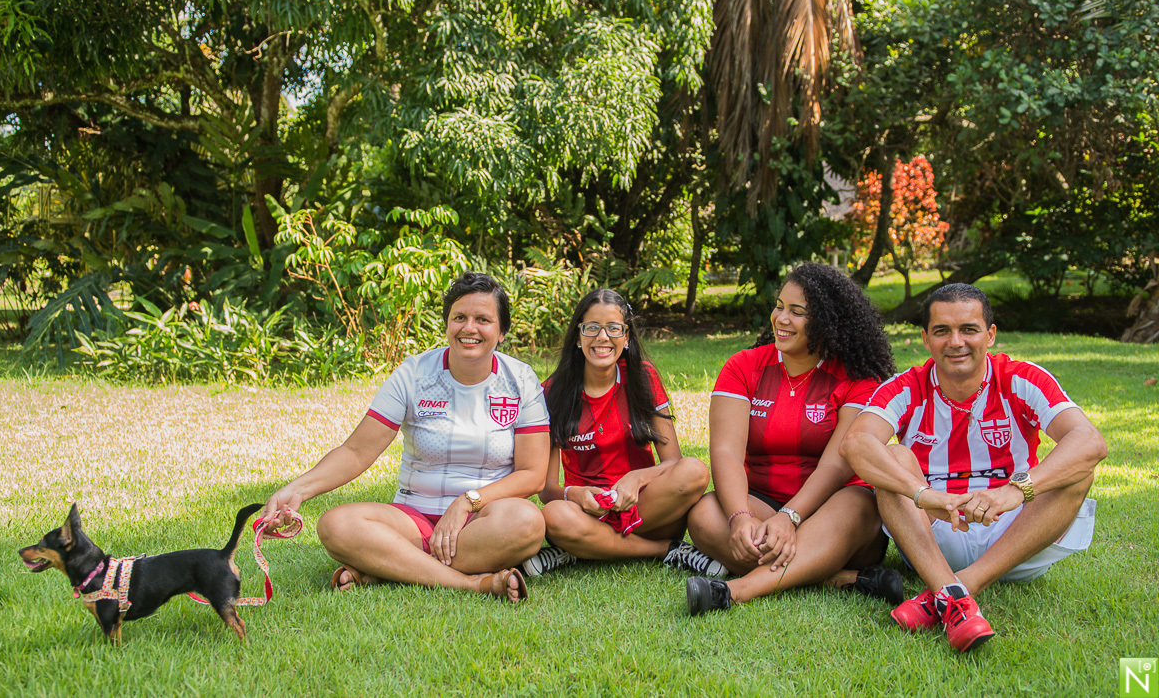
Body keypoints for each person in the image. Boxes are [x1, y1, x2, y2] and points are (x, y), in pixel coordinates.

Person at [839, 283, 1106, 652]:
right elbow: (856, 444)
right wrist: (926, 495)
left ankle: (952, 591)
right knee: (894, 459)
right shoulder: (906, 386)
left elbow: (1090, 442)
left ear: (990, 335)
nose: (956, 342)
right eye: (942, 331)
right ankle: (952, 590)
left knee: (1077, 469)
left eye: (969, 329)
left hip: (1017, 535)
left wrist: (1015, 491)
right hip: (933, 534)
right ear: (925, 339)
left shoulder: (1021, 378)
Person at [260, 272, 549, 603]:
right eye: (459, 318)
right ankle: (470, 583)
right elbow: (356, 451)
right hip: (413, 518)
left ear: (501, 332)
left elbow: (533, 474)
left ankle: (389, 565)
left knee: (528, 523)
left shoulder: (520, 379)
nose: (469, 328)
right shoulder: (414, 374)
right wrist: (296, 491)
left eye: (483, 320)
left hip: (484, 520)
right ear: (447, 324)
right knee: (335, 524)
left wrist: (466, 502)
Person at [684, 263, 902, 614]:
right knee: (704, 514)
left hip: (838, 508)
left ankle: (736, 590)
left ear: (829, 322)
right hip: (762, 503)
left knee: (856, 504)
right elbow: (726, 452)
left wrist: (791, 517)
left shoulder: (858, 377)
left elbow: (836, 466)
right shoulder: (743, 366)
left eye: (797, 312)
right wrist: (740, 516)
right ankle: (833, 576)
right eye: (779, 306)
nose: (781, 319)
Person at [521, 289, 719, 577]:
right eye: (592, 327)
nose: (603, 337)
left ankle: (583, 548)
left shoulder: (643, 377)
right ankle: (665, 549)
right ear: (578, 336)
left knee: (695, 471)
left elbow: (674, 462)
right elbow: (547, 489)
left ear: (626, 337)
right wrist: (576, 494)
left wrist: (637, 479)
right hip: (588, 511)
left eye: (614, 328)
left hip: (646, 506)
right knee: (553, 516)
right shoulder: (552, 392)